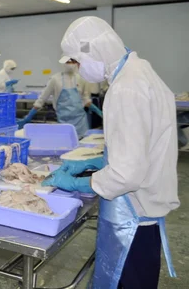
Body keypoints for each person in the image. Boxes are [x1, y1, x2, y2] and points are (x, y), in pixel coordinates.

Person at [43, 16, 179, 288]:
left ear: (94, 52)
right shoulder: (140, 72)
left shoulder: (126, 88)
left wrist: (81, 182)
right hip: (145, 213)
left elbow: (127, 175)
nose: (79, 69)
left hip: (133, 220)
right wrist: (98, 160)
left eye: (79, 62)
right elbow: (141, 146)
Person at [18, 59, 101, 138]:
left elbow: (86, 100)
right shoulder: (55, 79)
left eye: (73, 61)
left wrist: (101, 113)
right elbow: (42, 99)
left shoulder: (82, 79)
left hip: (80, 122)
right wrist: (29, 116)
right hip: (63, 122)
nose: (70, 64)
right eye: (68, 62)